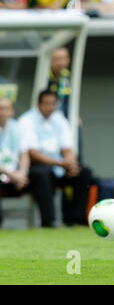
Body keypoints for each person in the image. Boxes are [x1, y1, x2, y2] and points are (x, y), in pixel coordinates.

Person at [19, 90, 92, 227]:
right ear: (38, 104)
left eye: (53, 104)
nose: (49, 107)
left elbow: (67, 148)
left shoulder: (60, 119)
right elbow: (32, 153)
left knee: (84, 173)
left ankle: (75, 218)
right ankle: (49, 221)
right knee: (44, 174)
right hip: (38, 166)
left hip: (60, 167)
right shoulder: (26, 120)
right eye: (46, 104)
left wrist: (70, 163)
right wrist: (60, 163)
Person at [0, 97, 29, 227]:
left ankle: (49, 222)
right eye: (0, 109)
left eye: (6, 109)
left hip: (16, 173)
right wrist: (12, 175)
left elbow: (24, 154)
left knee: (42, 174)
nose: (3, 112)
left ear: (12, 111)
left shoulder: (19, 128)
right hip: (4, 172)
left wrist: (22, 173)